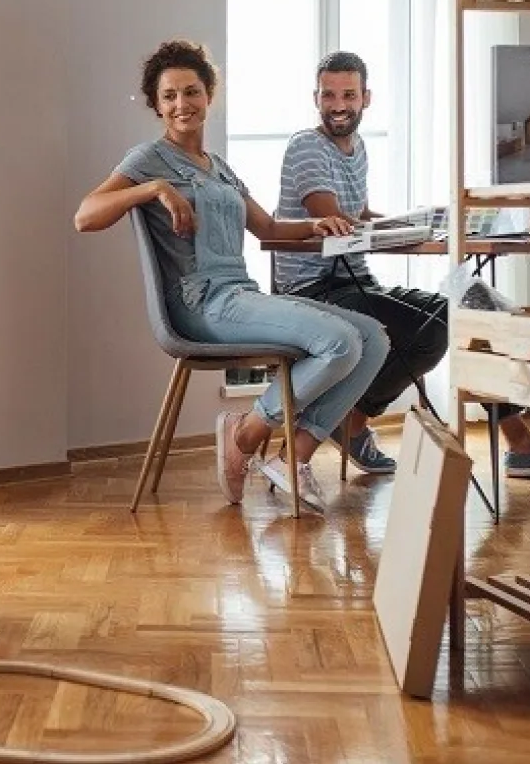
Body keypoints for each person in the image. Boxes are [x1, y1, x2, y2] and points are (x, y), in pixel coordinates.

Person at [74, 39, 391, 512]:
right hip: (201, 304)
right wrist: (155, 190)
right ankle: (246, 434)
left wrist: (316, 224)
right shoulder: (147, 160)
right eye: (170, 96)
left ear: (208, 97)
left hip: (241, 296)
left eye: (192, 92)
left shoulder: (220, 168)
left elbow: (265, 227)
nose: (182, 104)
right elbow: (86, 215)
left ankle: (292, 459)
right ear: (157, 106)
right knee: (341, 341)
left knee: (374, 338)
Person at [274, 50, 530, 479]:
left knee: (466, 310)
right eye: (328, 95)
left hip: (356, 281)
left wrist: (416, 224)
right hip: (315, 290)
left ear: (366, 98)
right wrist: (390, 228)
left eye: (348, 95)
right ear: (315, 98)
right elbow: (330, 215)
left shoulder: (356, 149)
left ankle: (517, 442)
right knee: (442, 320)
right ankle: (360, 425)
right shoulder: (307, 146)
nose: (338, 105)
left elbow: (358, 217)